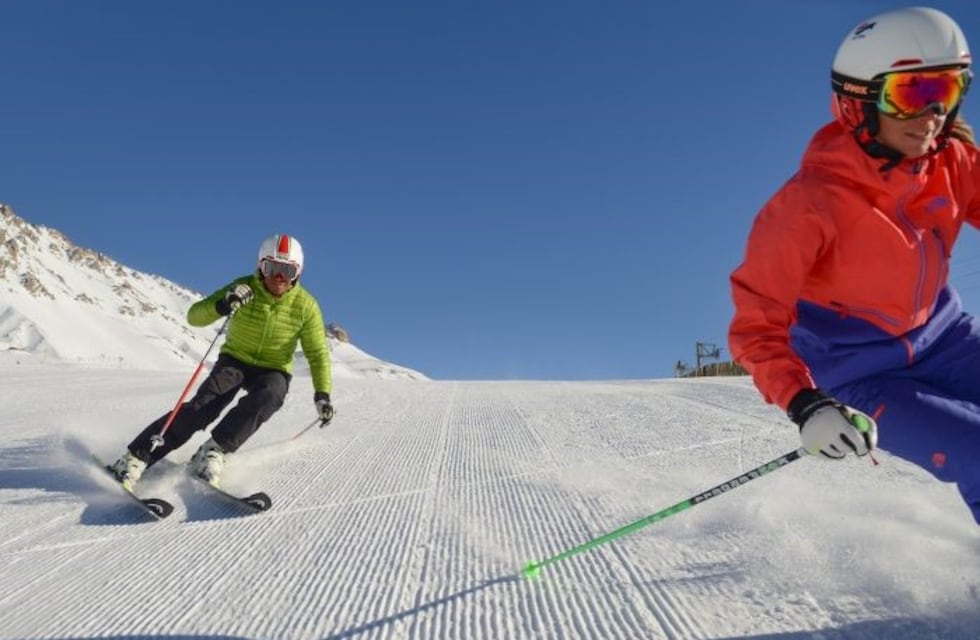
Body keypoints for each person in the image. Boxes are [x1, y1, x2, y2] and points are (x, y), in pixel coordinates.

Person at [729, 6, 980, 524]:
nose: (931, 115)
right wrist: (806, 405)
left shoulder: (951, 162)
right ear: (857, 102)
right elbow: (756, 326)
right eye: (910, 95)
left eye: (947, 91)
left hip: (947, 340)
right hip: (862, 372)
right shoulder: (808, 204)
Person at [110, 233, 334, 488]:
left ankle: (213, 451)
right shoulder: (243, 287)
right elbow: (194, 317)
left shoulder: (307, 306)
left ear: (298, 273)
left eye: (287, 270)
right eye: (272, 268)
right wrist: (223, 304)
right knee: (202, 408)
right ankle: (135, 458)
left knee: (271, 394)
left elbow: (317, 353)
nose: (279, 278)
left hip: (273, 368)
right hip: (235, 360)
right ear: (260, 266)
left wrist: (323, 394)